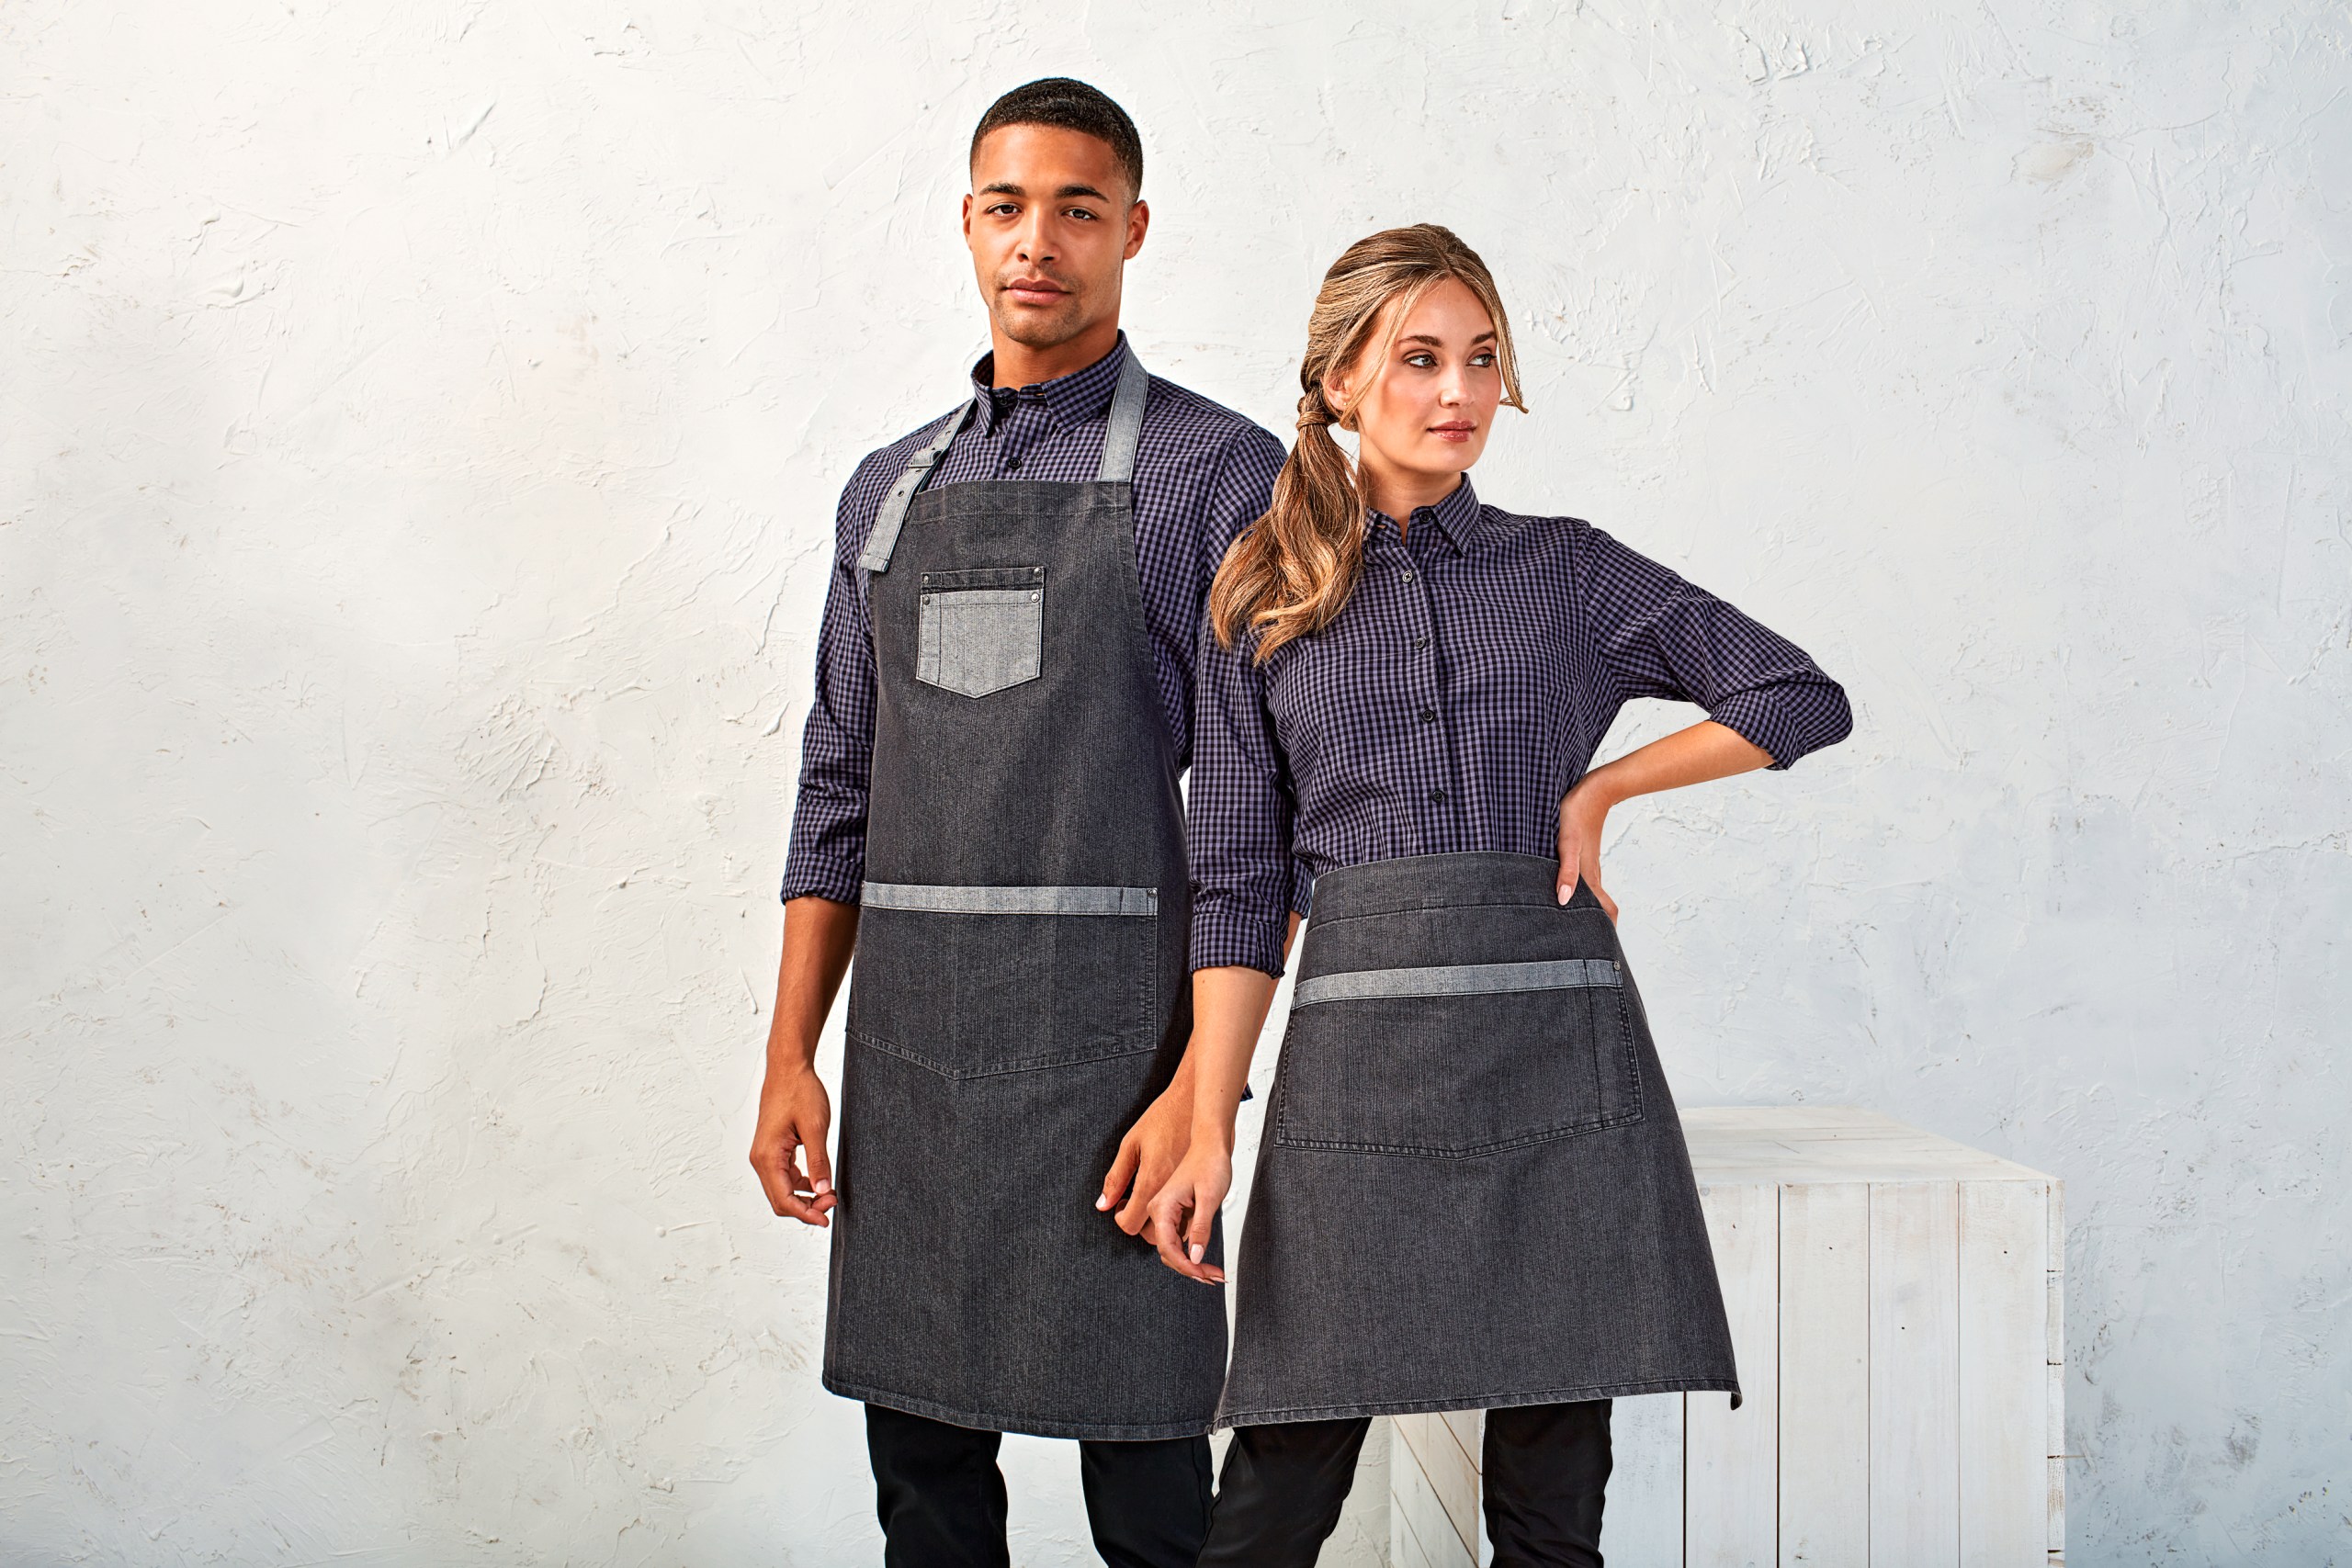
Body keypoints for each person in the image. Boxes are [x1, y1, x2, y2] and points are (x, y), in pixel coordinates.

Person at [1144, 224, 1854, 1565]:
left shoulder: (1567, 570)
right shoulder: (1260, 597)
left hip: (1555, 1063)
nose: (1459, 391)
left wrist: (1603, 790)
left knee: (1550, 1505)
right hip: (1358, 1075)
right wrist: (1207, 1121)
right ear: (1340, 381)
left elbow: (1798, 695)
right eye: (1419, 359)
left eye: (1482, 359)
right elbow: (1237, 887)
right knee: (1281, 1484)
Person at [747, 79, 1302, 1568]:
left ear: (1134, 229)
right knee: (924, 1489)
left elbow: (1261, 818)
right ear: (967, 225)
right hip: (914, 1073)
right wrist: (792, 1056)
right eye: (1007, 207)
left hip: (1123, 1071)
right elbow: (838, 790)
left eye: (1076, 209)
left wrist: (1204, 1097)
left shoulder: (1220, 477)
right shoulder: (886, 492)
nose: (1036, 242)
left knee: (1155, 1494)